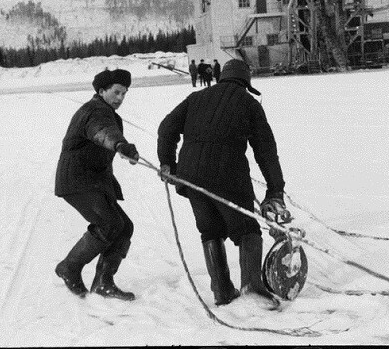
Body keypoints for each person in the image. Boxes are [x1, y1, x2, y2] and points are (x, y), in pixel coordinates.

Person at [157, 58, 289, 308]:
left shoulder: (195, 98)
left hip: (190, 175)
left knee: (210, 230)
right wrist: (275, 189)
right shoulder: (249, 103)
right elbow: (266, 151)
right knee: (247, 229)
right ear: (246, 82)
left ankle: (221, 291)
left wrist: (168, 163)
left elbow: (166, 128)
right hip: (228, 174)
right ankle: (251, 289)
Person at [54, 68, 141, 301]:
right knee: (110, 223)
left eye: (124, 93)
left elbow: (107, 133)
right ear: (101, 91)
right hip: (77, 180)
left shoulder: (106, 111)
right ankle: (70, 267)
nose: (120, 98)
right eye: (116, 92)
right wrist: (120, 145)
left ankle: (104, 282)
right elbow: (102, 132)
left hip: (92, 181)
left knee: (124, 227)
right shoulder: (95, 111)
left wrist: (122, 149)